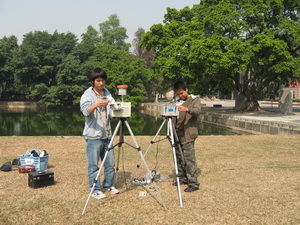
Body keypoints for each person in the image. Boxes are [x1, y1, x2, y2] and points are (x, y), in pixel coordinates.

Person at [80, 68, 119, 199]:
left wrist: (114, 105)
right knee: (93, 165)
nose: (101, 83)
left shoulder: (107, 92)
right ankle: (94, 189)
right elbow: (85, 111)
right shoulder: (87, 95)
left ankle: (108, 185)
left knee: (110, 164)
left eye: (103, 80)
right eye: (98, 81)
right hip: (93, 136)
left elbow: (113, 104)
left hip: (107, 135)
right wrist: (96, 104)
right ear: (93, 81)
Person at [172, 80, 201, 192]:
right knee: (178, 157)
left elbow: (197, 111)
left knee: (189, 159)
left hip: (188, 134)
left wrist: (187, 109)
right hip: (176, 133)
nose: (180, 95)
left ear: (186, 90)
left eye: (182, 93)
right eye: (178, 94)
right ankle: (182, 178)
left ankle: (193, 183)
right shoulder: (176, 101)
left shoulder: (194, 99)